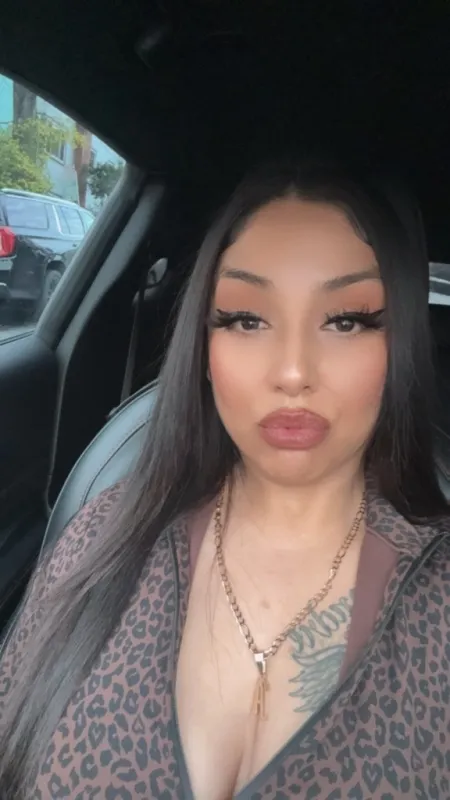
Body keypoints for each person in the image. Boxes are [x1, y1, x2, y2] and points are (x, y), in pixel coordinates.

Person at [0, 159, 449, 800]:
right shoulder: (101, 539)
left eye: (347, 320)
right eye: (246, 318)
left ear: (397, 345)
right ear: (205, 347)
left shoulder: (438, 595)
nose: (292, 372)